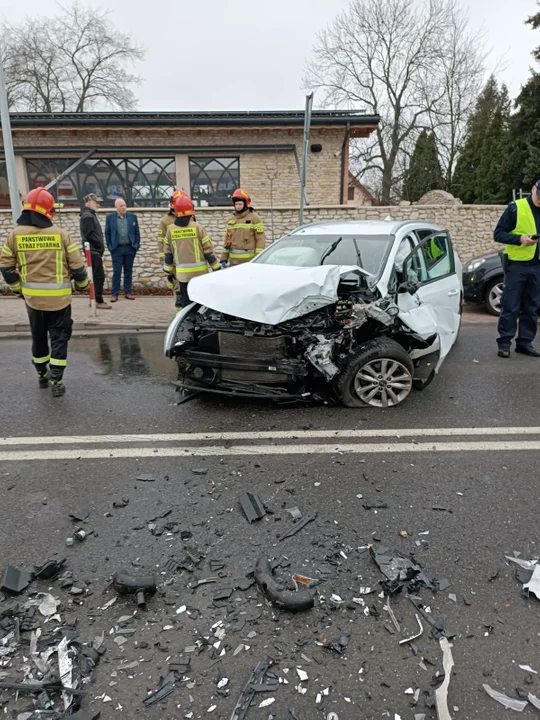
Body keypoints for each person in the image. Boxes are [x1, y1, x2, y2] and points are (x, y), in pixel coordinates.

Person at [0, 188, 89, 397]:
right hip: (59, 301)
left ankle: (41, 375)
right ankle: (56, 381)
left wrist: (17, 290)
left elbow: (6, 266)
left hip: (32, 301)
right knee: (59, 338)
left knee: (38, 337)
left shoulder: (15, 235)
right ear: (48, 211)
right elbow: (77, 267)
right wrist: (83, 286)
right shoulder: (61, 235)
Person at [494, 180, 540, 358]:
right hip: (517, 265)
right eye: (539, 195)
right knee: (510, 306)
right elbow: (498, 233)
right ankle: (504, 343)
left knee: (532, 307)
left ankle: (525, 343)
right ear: (533, 189)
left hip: (537, 266)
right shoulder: (516, 207)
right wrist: (520, 239)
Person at [163, 195, 220, 310]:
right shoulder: (198, 228)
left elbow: (168, 253)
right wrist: (216, 268)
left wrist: (168, 271)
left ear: (176, 212)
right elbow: (208, 250)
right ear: (192, 211)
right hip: (200, 274)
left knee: (186, 302)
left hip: (182, 275)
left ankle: (187, 323)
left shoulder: (171, 230)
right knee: (200, 302)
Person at [105, 198, 141, 302]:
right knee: (117, 272)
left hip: (130, 248)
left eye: (124, 205)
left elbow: (137, 233)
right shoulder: (110, 218)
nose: (123, 207)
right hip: (117, 249)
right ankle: (114, 294)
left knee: (128, 271)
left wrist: (136, 245)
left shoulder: (132, 217)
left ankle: (128, 292)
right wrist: (110, 247)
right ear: (116, 207)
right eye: (121, 206)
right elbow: (107, 233)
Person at [79, 193, 110, 309]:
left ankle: (95, 299)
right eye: (96, 202)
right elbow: (89, 234)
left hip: (93, 250)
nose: (98, 205)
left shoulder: (89, 215)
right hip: (93, 250)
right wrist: (99, 245)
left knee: (96, 276)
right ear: (89, 202)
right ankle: (98, 300)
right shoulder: (87, 215)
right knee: (98, 276)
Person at [221, 188, 266, 267]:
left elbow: (260, 240)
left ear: (246, 204)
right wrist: (223, 258)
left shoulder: (255, 219)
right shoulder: (231, 220)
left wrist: (258, 260)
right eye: (236, 204)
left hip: (248, 263)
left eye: (240, 204)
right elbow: (227, 240)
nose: (237, 206)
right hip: (233, 263)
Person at [157, 190, 187, 301]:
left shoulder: (189, 218)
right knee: (178, 289)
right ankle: (180, 314)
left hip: (188, 259)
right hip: (174, 261)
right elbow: (161, 242)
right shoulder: (165, 221)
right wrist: (163, 261)